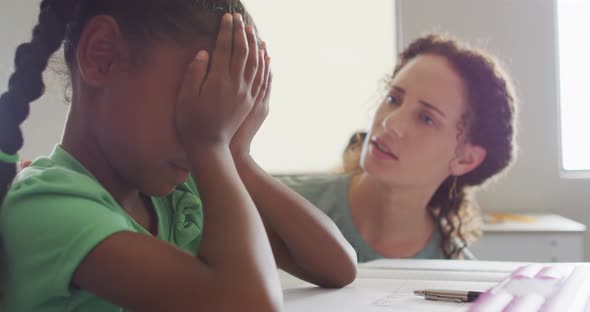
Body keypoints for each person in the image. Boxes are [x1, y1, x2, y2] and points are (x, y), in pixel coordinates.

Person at [0, 1, 356, 311]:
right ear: (102, 54)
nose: (207, 125)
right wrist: (211, 143)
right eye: (197, 101)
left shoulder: (178, 200)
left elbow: (337, 266)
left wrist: (237, 156)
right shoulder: (47, 205)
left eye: (224, 114)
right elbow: (249, 305)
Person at [278, 34, 518, 261]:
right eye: (393, 99)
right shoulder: (270, 206)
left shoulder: (458, 282)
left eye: (426, 118)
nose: (390, 123)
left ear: (465, 159)